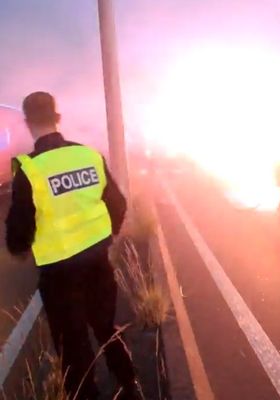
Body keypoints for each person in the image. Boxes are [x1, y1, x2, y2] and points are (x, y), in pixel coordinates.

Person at [5, 92, 142, 400]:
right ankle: (130, 385)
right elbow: (118, 205)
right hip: (97, 262)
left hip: (59, 275)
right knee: (107, 328)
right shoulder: (88, 155)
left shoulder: (29, 169)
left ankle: (86, 394)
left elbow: (18, 233)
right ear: (58, 118)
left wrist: (21, 248)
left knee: (72, 343)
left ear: (28, 123)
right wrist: (106, 237)